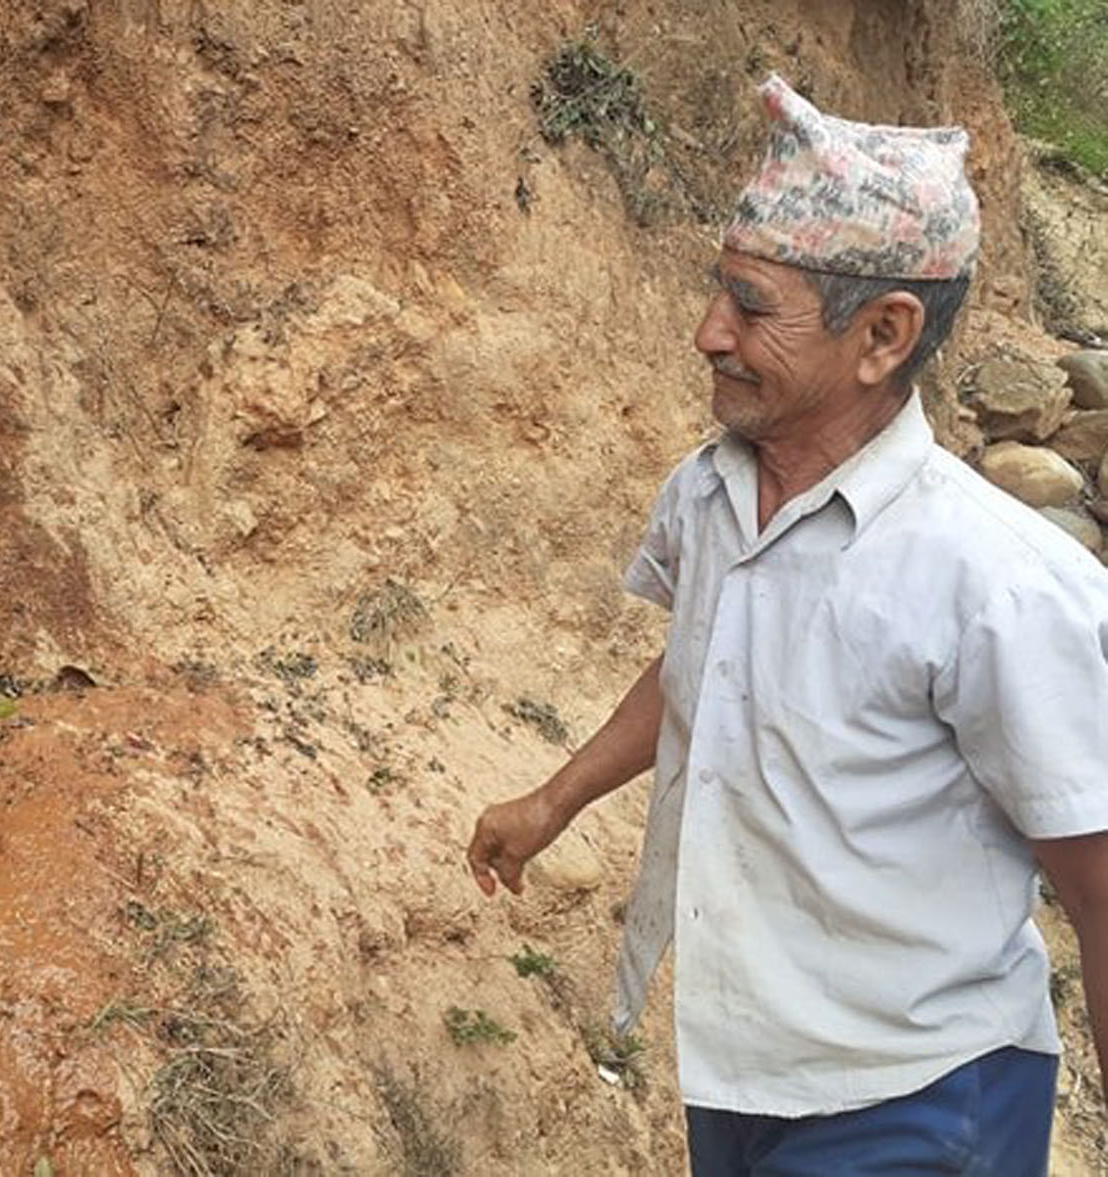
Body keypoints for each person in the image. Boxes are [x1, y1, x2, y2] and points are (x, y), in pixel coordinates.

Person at [467, 75, 1108, 1175]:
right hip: (745, 1075)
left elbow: (1098, 881)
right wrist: (552, 800)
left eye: (753, 306)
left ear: (883, 334)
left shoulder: (1001, 586)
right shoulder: (708, 494)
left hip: (924, 1097)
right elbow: (696, 667)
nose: (708, 330)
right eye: (720, 291)